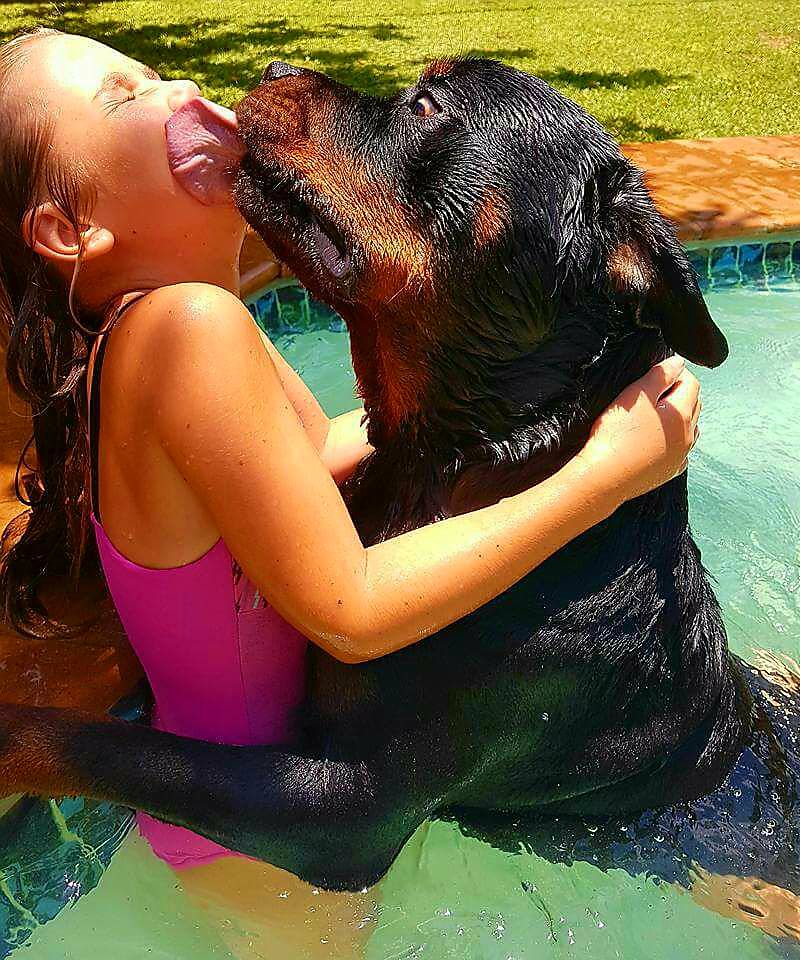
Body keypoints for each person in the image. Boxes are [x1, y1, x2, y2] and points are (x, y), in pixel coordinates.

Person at [0, 27, 701, 956]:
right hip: (270, 837)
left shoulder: (158, 333)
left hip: (227, 812)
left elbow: (331, 446)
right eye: (127, 97)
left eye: (160, 68)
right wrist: (609, 474)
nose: (180, 86)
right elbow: (355, 610)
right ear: (71, 231)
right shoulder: (191, 329)